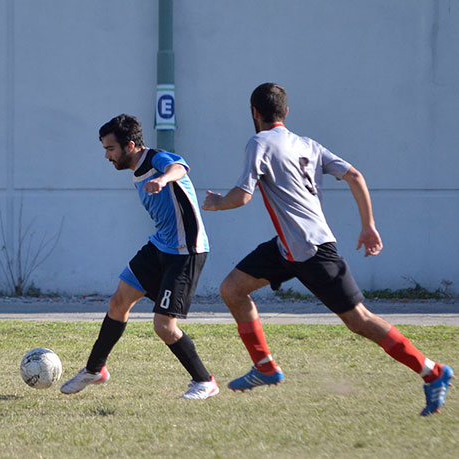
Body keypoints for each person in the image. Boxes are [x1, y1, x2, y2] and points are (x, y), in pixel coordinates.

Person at [202, 83, 453, 415]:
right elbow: (355, 176)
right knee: (232, 289)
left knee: (359, 320)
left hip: (313, 250)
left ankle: (433, 372)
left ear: (254, 113)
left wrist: (216, 203)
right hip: (287, 248)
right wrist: (368, 225)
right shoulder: (307, 145)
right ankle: (264, 366)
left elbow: (242, 196)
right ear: (286, 112)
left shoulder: (259, 142)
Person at [60, 114, 219, 399]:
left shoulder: (155, 159)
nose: (107, 156)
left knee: (163, 325)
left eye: (110, 149)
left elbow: (179, 166)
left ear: (130, 145)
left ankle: (205, 381)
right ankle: (95, 370)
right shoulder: (136, 170)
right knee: (118, 302)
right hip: (160, 247)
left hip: (186, 252)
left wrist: (164, 179)